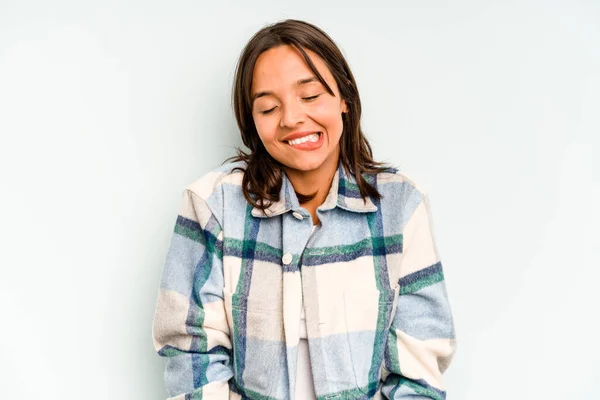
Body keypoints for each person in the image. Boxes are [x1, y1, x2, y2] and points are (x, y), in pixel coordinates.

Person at [152, 19, 456, 400]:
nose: (292, 118)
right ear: (253, 123)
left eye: (310, 96)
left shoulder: (401, 206)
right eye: (268, 107)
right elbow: (191, 353)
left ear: (344, 99)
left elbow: (419, 369)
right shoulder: (211, 206)